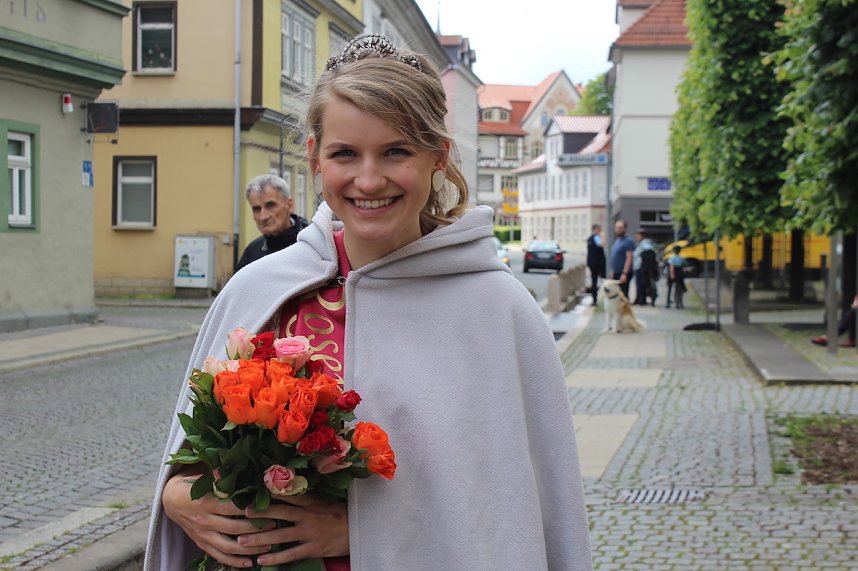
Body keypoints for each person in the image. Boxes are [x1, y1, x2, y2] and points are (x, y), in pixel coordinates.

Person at [145, 34, 592, 571]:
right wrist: (177, 496)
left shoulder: (497, 312)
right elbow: (192, 456)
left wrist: (360, 530)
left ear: (438, 158)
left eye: (396, 151)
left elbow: (508, 515)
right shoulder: (258, 289)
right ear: (313, 156)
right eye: (345, 154)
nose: (369, 179)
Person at [236, 174, 310, 271]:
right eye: (256, 209)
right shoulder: (253, 251)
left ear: (289, 205)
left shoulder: (312, 244)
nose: (263, 217)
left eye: (270, 205)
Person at [610, 219, 635, 299]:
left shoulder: (628, 241)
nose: (618, 230)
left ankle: (624, 311)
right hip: (616, 272)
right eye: (616, 228)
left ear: (625, 229)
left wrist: (624, 273)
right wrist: (613, 271)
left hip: (623, 273)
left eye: (620, 228)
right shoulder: (617, 241)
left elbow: (629, 258)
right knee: (616, 296)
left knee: (623, 296)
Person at [632, 229, 658, 306]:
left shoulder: (645, 243)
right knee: (640, 283)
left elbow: (647, 252)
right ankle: (640, 298)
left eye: (638, 235)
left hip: (641, 267)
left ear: (642, 236)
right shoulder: (642, 244)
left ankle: (641, 299)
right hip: (639, 266)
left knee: (640, 283)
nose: (636, 237)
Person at [586, 223, 606, 304]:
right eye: (599, 229)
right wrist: (603, 237)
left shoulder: (589, 238)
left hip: (592, 263)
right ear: (595, 230)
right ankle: (602, 299)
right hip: (599, 263)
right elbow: (602, 244)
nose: (600, 231)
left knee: (594, 282)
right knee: (603, 281)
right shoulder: (597, 237)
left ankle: (594, 299)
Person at [666, 245, 686, 309]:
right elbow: (683, 266)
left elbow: (671, 266)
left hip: (673, 273)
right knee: (679, 288)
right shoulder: (681, 258)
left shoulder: (671, 258)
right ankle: (680, 302)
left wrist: (672, 274)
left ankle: (668, 302)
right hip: (679, 274)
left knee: (670, 288)